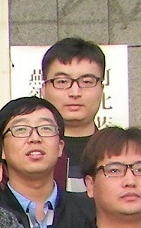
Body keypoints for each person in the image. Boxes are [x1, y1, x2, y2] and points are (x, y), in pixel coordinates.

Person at [0, 96, 93, 228]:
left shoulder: (89, 214)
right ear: (1, 149)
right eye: (21, 129)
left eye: (46, 128)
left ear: (60, 147)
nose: (35, 138)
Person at [38, 38, 109, 194]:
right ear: (43, 89)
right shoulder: (30, 152)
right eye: (62, 82)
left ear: (101, 89)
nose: (75, 92)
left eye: (87, 81)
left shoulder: (115, 152)